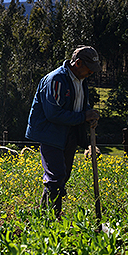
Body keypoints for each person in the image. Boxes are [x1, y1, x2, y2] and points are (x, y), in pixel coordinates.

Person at [25, 46, 101, 219]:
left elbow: (80, 105)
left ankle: (46, 214)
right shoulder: (56, 80)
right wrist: (83, 116)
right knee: (56, 175)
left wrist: (90, 114)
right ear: (78, 63)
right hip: (50, 133)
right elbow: (53, 114)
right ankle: (52, 218)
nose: (90, 73)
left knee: (63, 175)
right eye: (88, 69)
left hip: (69, 133)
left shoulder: (81, 80)